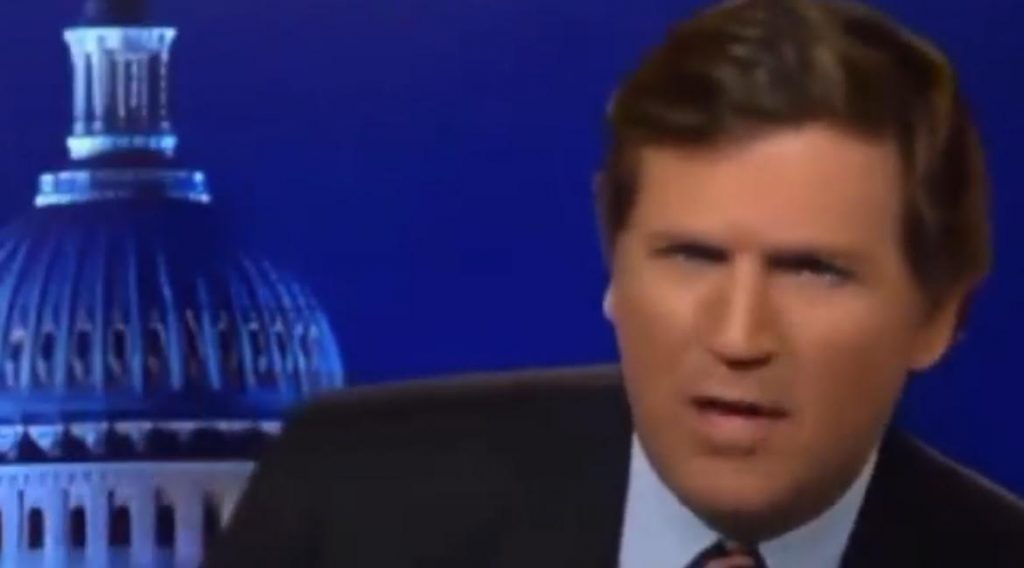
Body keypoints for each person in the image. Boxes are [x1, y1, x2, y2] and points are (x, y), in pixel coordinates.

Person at [205, 0, 1024, 566]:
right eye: (692, 256)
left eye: (813, 270)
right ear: (615, 262)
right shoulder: (346, 509)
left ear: (939, 313)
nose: (738, 336)